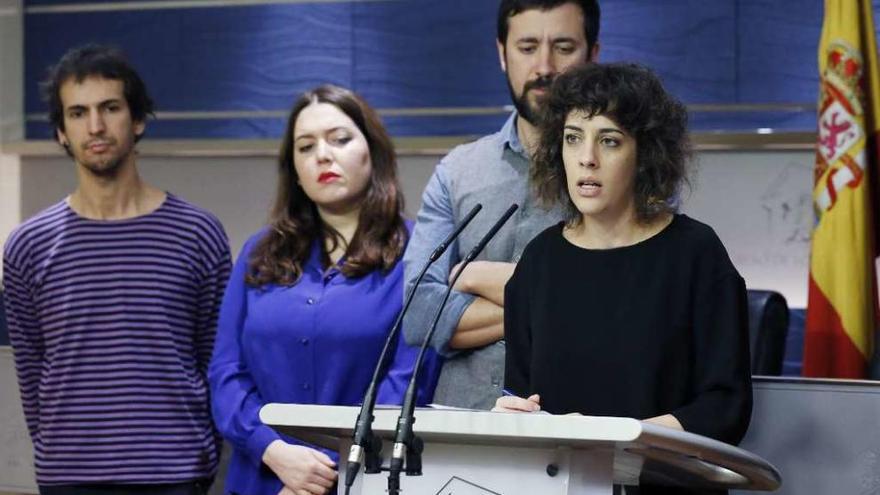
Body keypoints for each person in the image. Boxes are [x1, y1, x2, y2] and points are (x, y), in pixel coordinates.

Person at [495, 62, 752, 491]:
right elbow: (520, 393)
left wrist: (618, 440)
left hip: (662, 484)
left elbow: (725, 405)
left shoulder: (695, 253)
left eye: (608, 141)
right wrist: (513, 414)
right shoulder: (540, 260)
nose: (586, 158)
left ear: (645, 153)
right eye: (572, 138)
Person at [2, 45, 231, 494]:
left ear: (138, 119)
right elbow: (32, 375)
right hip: (69, 476)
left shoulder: (197, 233)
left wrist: (202, 456)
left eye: (110, 108)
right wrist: (56, 451)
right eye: (78, 113)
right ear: (61, 133)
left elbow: (216, 362)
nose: (96, 126)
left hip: (176, 474)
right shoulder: (28, 245)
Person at [208, 84, 438, 495]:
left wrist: (322, 469)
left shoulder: (418, 252)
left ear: (373, 150)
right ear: (293, 169)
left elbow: (409, 382)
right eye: (306, 146)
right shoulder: (258, 252)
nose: (323, 155)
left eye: (340, 139)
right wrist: (274, 449)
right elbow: (226, 375)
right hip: (263, 476)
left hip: (363, 475)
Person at [402, 0, 602, 410]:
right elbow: (418, 314)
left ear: (593, 55)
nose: (544, 67)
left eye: (563, 47)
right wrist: (557, 309)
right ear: (502, 54)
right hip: (463, 427)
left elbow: (626, 309)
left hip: (576, 429)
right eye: (527, 47)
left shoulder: (623, 176)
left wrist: (477, 277)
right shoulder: (457, 171)